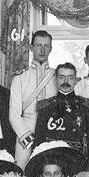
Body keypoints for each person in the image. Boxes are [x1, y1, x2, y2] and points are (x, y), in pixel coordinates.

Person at [9, 30, 56, 165]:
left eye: (46, 46)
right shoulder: (20, 78)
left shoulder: (56, 77)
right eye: (38, 45)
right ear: (31, 48)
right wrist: (27, 138)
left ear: (51, 49)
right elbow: (14, 115)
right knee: (22, 172)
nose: (42, 50)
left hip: (50, 131)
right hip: (25, 131)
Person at [34, 62, 89, 157]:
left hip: (79, 161)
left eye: (70, 77)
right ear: (55, 80)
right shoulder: (45, 107)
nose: (66, 81)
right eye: (61, 77)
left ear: (76, 80)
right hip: (51, 161)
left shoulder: (87, 107)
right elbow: (38, 142)